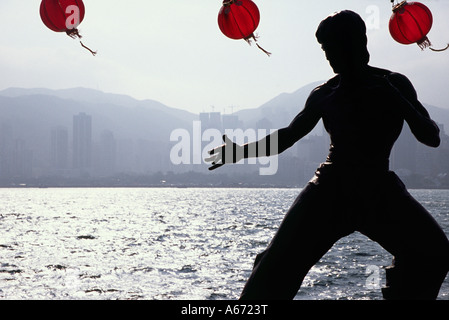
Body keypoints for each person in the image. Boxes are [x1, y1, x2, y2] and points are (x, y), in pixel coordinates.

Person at [205, 10, 449, 300]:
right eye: (325, 51)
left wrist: (396, 99)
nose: (329, 58)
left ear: (359, 43)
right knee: (272, 271)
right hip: (328, 189)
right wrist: (239, 152)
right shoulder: (325, 94)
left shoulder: (394, 84)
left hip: (377, 188)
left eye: (333, 49)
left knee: (435, 253)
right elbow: (288, 136)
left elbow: (431, 137)